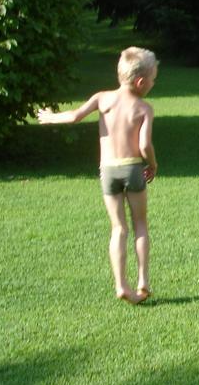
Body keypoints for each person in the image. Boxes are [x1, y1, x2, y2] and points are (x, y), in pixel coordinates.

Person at [37, 47, 159, 304]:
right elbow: (145, 145)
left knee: (118, 228)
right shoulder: (144, 108)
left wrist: (49, 118)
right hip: (133, 167)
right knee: (140, 225)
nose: (153, 83)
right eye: (153, 79)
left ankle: (120, 285)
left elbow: (74, 116)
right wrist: (153, 165)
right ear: (140, 82)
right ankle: (143, 280)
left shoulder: (102, 98)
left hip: (108, 170)